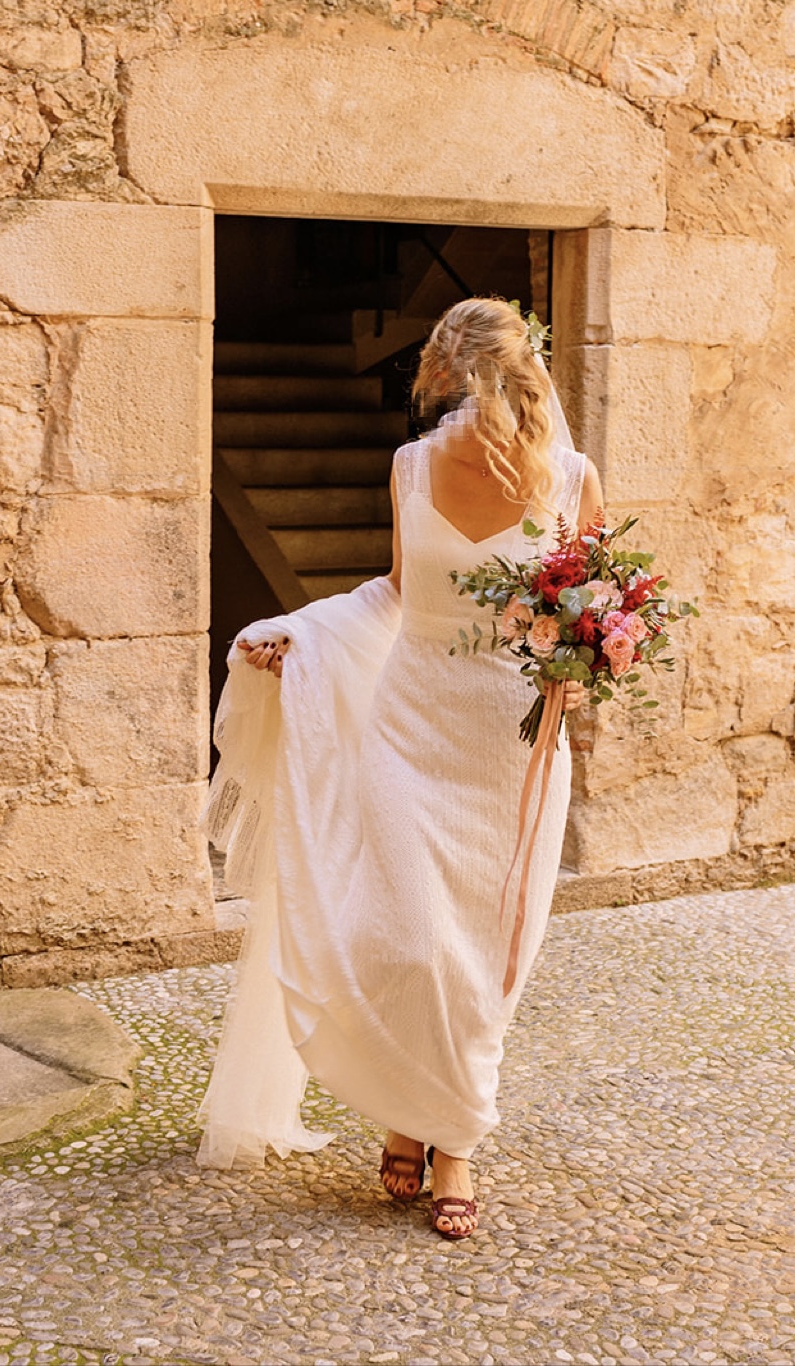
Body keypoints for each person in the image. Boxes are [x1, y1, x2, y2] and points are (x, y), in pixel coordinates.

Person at [198, 297, 604, 1240]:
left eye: (457, 382)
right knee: (406, 939)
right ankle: (408, 1105)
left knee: (487, 950)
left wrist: (585, 670)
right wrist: (300, 633)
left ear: (460, 373)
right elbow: (396, 590)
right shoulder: (409, 465)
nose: (456, 402)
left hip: (511, 739)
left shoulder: (572, 476)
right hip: (408, 724)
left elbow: (590, 606)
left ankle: (449, 1136)